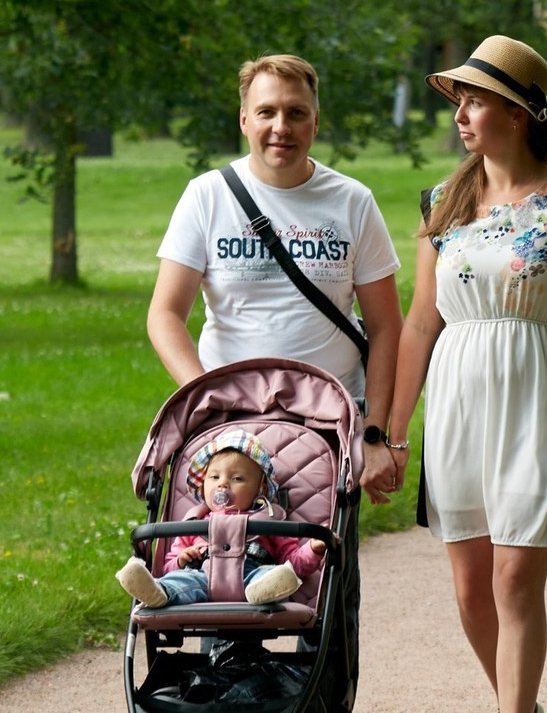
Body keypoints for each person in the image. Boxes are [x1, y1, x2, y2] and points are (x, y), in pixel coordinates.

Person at [145, 54, 402, 705]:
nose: (280, 126)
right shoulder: (208, 197)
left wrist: (377, 435)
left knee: (320, 585)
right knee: (209, 563)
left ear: (316, 121)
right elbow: (165, 315)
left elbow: (388, 328)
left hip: (324, 431)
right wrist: (203, 398)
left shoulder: (351, 202)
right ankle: (208, 695)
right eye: (266, 112)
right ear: (243, 120)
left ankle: (317, 700)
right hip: (223, 434)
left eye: (295, 112)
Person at [385, 35, 547, 713]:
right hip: (459, 398)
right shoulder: (443, 204)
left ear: (517, 112)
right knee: (470, 587)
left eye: (475, 102)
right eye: (459, 102)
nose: (460, 116)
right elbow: (420, 323)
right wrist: (393, 431)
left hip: (542, 393)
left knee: (515, 580)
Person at [116, 429, 326, 608]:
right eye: (214, 477)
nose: (222, 484)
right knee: (180, 580)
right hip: (202, 577)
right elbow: (167, 566)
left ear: (260, 488)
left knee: (274, 574)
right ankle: (159, 592)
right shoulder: (195, 523)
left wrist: (314, 548)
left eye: (237, 479)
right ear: (203, 483)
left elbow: (293, 561)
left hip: (252, 577)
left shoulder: (269, 520)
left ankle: (266, 592)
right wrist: (181, 560)